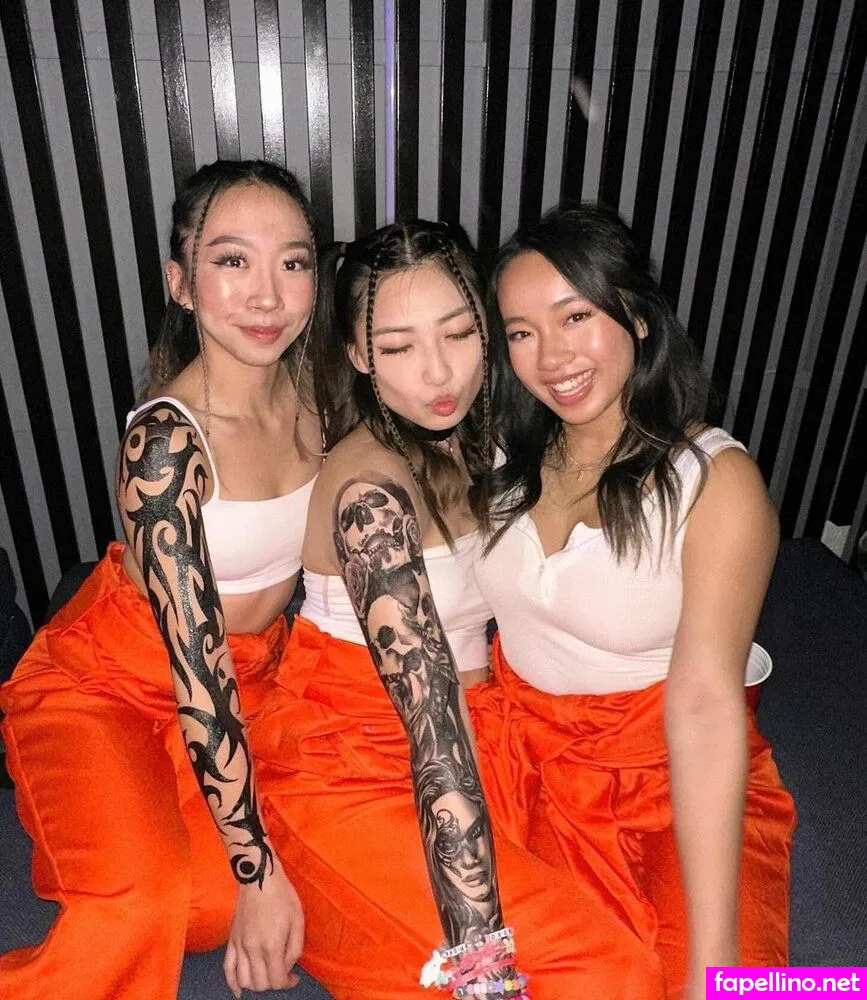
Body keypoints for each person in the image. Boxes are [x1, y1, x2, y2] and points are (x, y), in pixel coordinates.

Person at [250, 220, 666, 1000]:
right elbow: (432, 739)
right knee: (602, 973)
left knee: (671, 951)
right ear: (359, 355)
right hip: (357, 761)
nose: (438, 372)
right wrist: (481, 960)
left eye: (458, 333)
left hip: (491, 734)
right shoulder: (370, 496)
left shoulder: (486, 436)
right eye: (398, 347)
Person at [0, 159, 321, 1000]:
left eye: (292, 261)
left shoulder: (318, 396)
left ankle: (125, 840)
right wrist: (258, 870)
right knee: (144, 904)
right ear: (180, 282)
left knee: (206, 908)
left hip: (247, 685)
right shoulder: (167, 444)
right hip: (108, 686)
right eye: (231, 259)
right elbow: (196, 668)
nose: (267, 294)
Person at [469, 203, 796, 1000]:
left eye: (575, 315)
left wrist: (714, 961)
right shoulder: (501, 447)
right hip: (515, 755)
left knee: (734, 985)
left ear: (639, 318)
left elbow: (705, 705)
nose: (550, 356)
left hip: (664, 771)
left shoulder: (713, 482)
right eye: (520, 332)